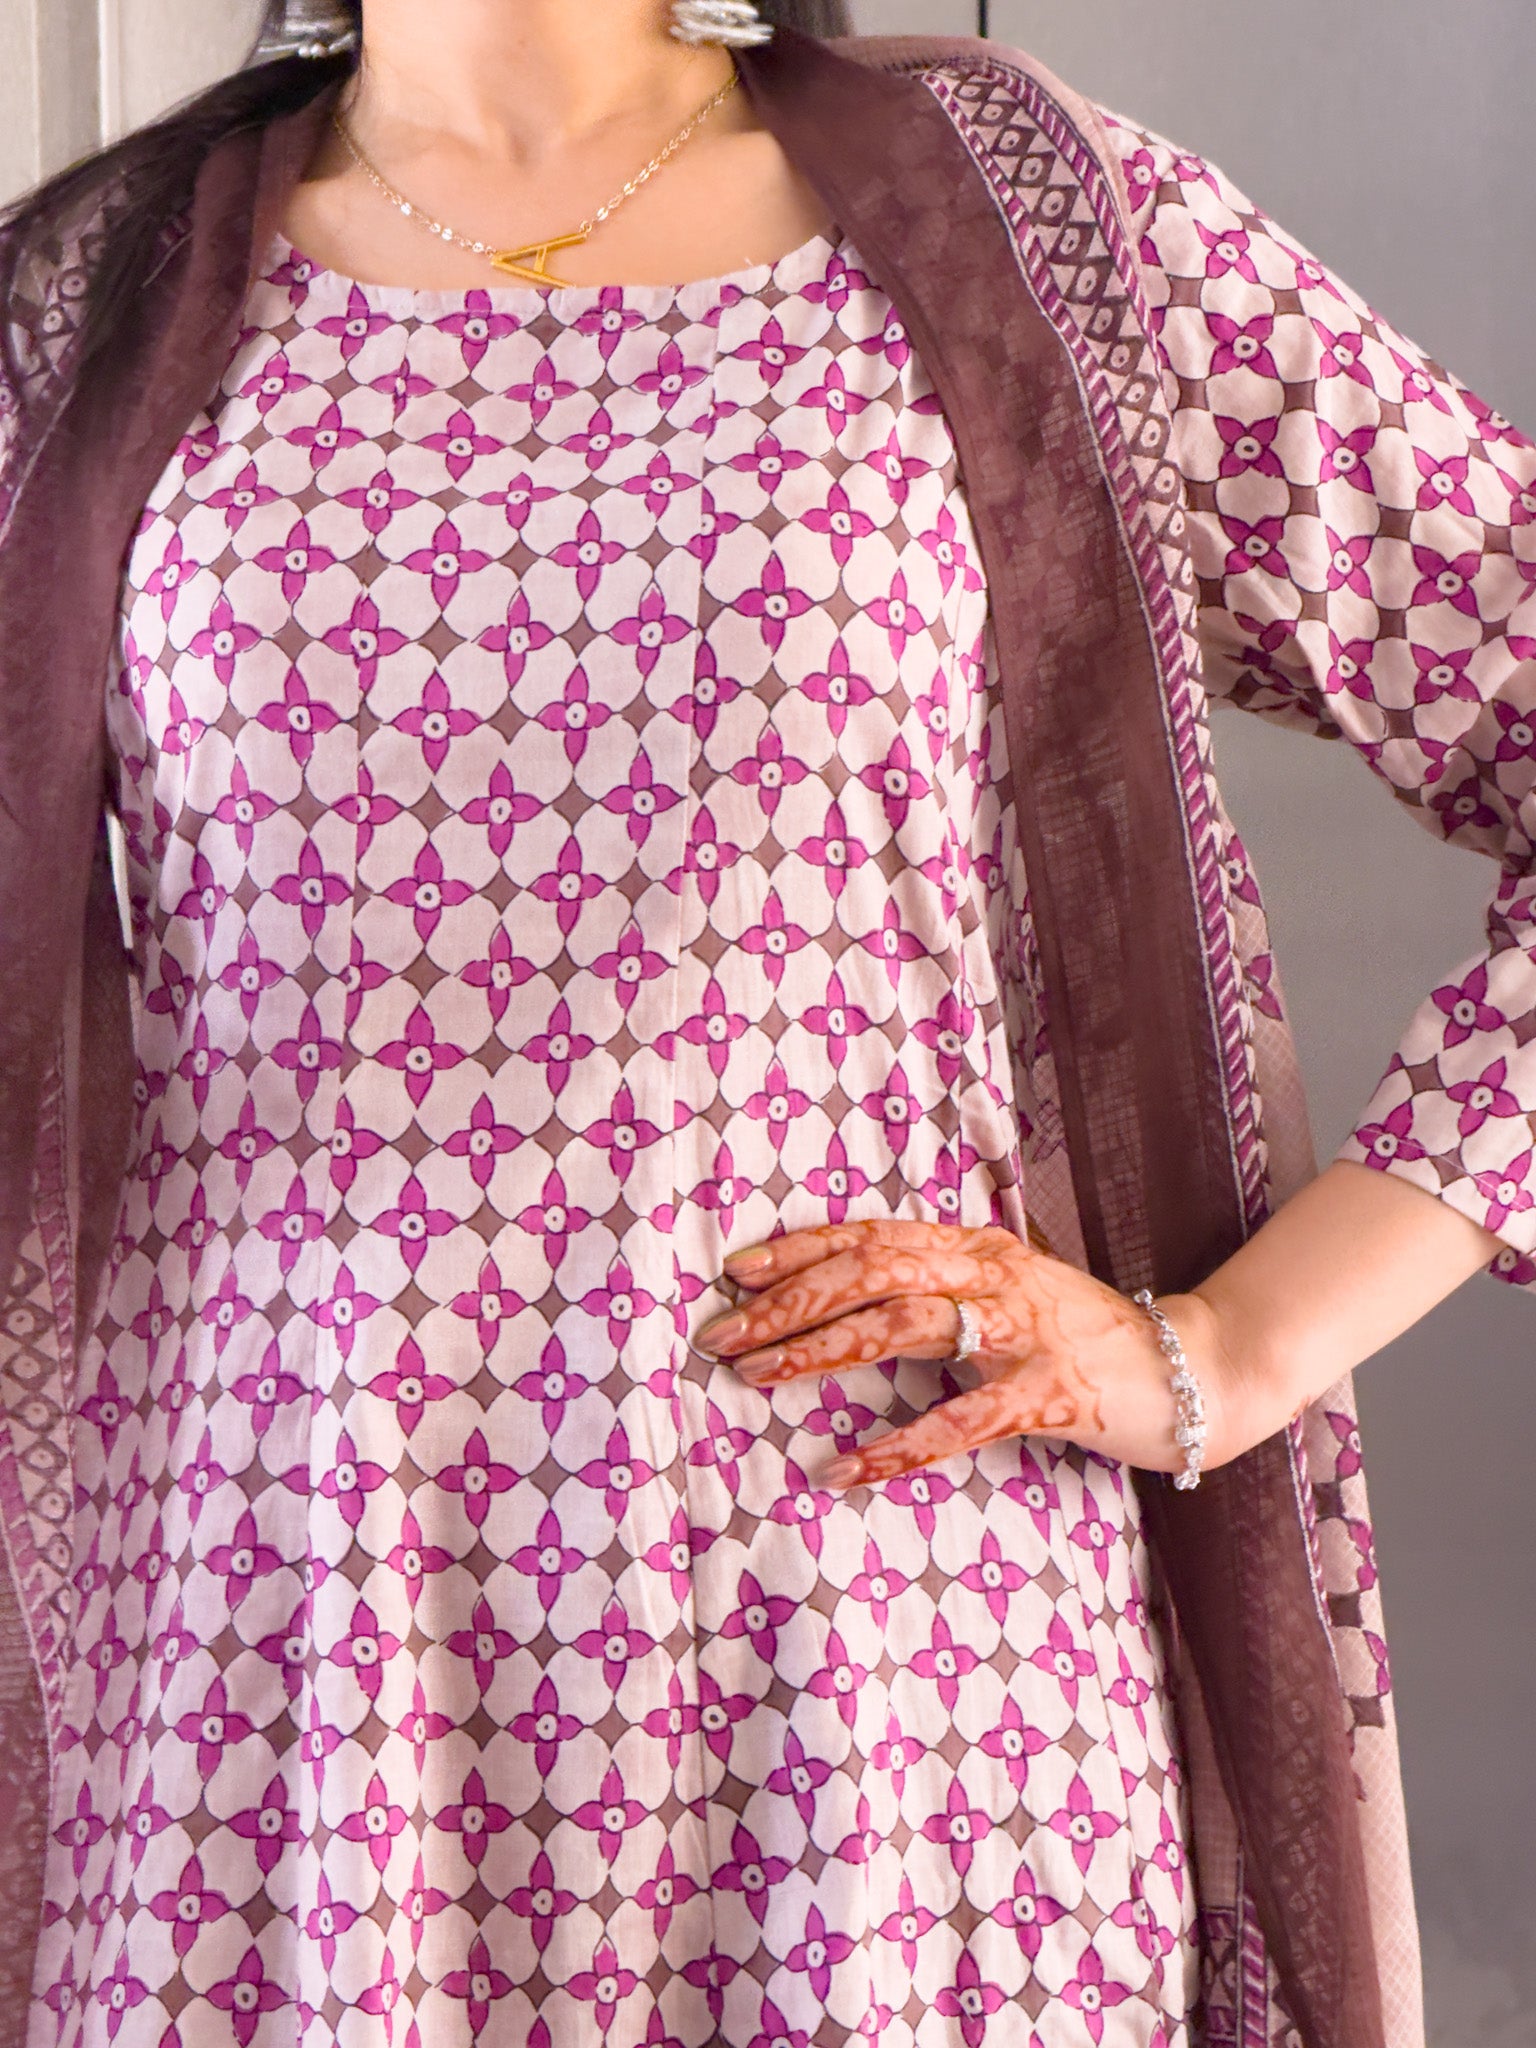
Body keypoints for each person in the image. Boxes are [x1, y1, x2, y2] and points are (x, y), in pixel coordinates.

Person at [0, 1, 1530, 2043]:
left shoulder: (1013, 231)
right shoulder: (76, 307)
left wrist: (1230, 1349)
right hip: (289, 1730)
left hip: (892, 1723)